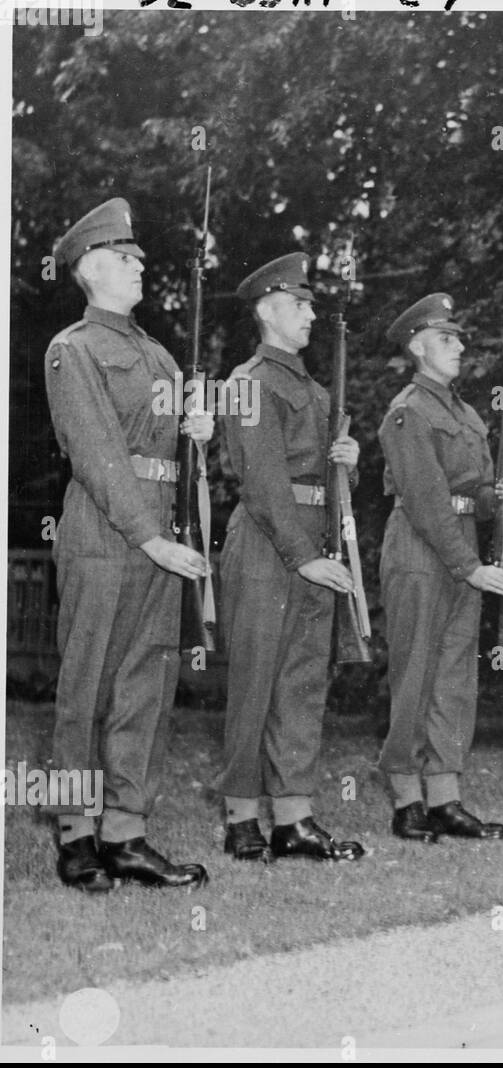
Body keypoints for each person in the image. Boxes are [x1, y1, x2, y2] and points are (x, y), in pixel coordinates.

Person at [44, 197, 212, 891]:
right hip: (105, 537)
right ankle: (76, 834)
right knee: (88, 683)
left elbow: (168, 455)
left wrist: (200, 428)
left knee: (145, 686)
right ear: (90, 267)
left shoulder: (160, 355)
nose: (139, 265)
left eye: (138, 255)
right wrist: (150, 539)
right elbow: (98, 455)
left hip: (160, 536)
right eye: (124, 257)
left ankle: (126, 833)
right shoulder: (71, 350)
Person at [217, 253, 366, 863]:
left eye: (309, 304)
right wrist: (303, 556)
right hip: (266, 543)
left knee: (303, 682)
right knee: (255, 682)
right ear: (268, 311)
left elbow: (318, 481)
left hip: (312, 539)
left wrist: (346, 465)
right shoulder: (249, 382)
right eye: (299, 305)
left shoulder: (314, 389)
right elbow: (263, 482)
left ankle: (294, 818)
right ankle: (241, 818)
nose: (310, 314)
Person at [376, 293, 503, 842]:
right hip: (421, 549)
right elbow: (425, 499)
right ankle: (407, 799)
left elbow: (471, 494)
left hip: (460, 546)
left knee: (454, 678)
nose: (459, 346)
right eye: (446, 338)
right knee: (414, 673)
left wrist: (497, 494)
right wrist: (470, 567)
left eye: (459, 338)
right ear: (417, 347)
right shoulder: (408, 410)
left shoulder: (466, 414)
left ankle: (445, 797)